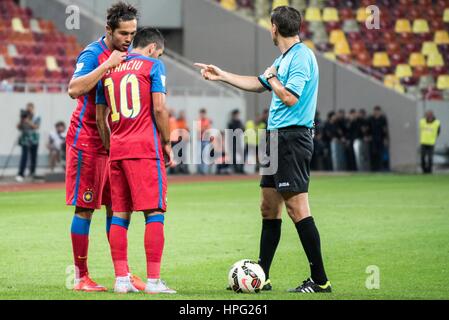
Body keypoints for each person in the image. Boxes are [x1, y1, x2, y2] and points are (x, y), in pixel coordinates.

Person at [195, 6, 331, 293]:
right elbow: (259, 84)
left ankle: (320, 280)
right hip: (275, 140)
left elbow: (290, 97)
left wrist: (271, 79)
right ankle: (262, 276)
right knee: (269, 207)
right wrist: (222, 76)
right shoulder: (283, 58)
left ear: (273, 28)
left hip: (291, 139)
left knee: (297, 207)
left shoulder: (302, 57)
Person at [65, 2, 146, 292]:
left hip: (115, 140)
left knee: (119, 207)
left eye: (133, 33)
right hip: (87, 140)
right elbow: (74, 89)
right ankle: (80, 276)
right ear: (108, 30)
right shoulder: (93, 53)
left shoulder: (129, 56)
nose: (128, 39)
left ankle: (122, 274)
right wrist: (106, 65)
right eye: (123, 33)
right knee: (85, 208)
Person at [96, 27, 176, 294]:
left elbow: (100, 118)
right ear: (153, 48)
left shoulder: (109, 67)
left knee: (119, 214)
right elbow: (159, 107)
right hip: (144, 148)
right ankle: (153, 282)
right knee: (154, 212)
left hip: (117, 150)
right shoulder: (154, 65)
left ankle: (121, 280)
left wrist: (112, 147)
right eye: (160, 51)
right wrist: (167, 141)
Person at [16, 103, 40, 182]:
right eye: (28, 109)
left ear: (33, 109)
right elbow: (18, 127)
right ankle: (21, 173)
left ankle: (32, 173)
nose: (29, 111)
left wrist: (28, 121)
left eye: (30, 109)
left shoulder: (37, 117)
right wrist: (22, 120)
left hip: (34, 139)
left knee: (33, 157)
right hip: (25, 139)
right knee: (24, 157)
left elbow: (36, 127)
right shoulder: (24, 117)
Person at [369, 106, 389, 172]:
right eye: (375, 111)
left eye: (377, 111)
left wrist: (385, 138)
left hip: (380, 138)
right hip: (373, 139)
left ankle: (381, 167)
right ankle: (374, 168)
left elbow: (385, 129)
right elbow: (368, 128)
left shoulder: (383, 119)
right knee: (373, 153)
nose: (376, 112)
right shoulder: (371, 118)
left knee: (381, 153)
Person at [228, 109, 245, 174]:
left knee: (242, 155)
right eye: (237, 114)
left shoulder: (240, 122)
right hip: (233, 141)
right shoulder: (231, 123)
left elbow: (243, 130)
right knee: (234, 156)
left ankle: (241, 169)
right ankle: (236, 169)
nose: (238, 116)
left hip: (240, 141)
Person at [196, 108, 212, 175]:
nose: (202, 115)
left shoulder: (207, 121)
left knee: (205, 155)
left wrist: (203, 128)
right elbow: (198, 129)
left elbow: (208, 130)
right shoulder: (198, 120)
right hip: (199, 139)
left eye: (203, 113)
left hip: (206, 140)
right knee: (198, 156)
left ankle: (204, 171)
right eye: (201, 113)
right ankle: (199, 171)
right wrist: (204, 128)